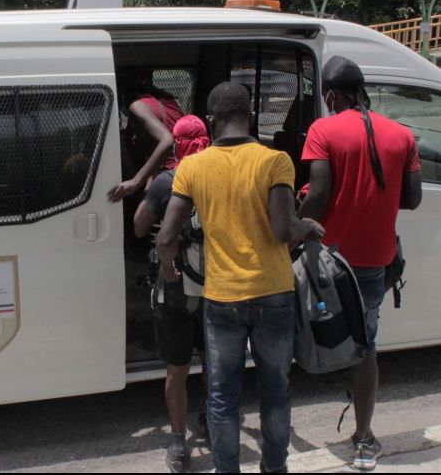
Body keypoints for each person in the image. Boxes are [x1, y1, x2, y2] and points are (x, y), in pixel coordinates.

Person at [157, 82, 325, 473]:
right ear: (250, 117)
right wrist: (306, 226)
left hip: (222, 299)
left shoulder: (192, 168)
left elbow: (166, 237)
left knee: (222, 396)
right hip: (273, 294)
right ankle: (274, 468)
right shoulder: (274, 160)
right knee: (275, 391)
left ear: (211, 122)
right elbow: (284, 229)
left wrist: (171, 270)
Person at [298, 56, 422, 471]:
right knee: (366, 347)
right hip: (375, 263)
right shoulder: (402, 135)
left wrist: (293, 229)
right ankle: (365, 439)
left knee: (304, 327)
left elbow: (317, 195)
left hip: (328, 261)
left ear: (331, 94)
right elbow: (413, 198)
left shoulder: (323, 129)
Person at [133, 115, 211, 473]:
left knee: (176, 371)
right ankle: (212, 422)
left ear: (177, 144)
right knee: (214, 362)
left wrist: (150, 186)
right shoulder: (220, 172)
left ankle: (179, 445)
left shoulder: (168, 180)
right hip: (218, 288)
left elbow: (139, 228)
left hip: (176, 288)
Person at [107, 68, 184, 203]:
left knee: (139, 221)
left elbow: (167, 140)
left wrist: (136, 182)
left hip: (168, 174)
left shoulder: (138, 106)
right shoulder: (169, 102)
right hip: (180, 170)